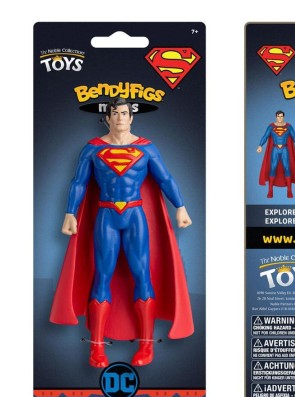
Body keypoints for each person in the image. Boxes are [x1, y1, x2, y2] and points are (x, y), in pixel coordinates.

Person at [50, 98, 194, 368]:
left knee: (142, 275)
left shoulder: (146, 148)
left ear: (131, 117)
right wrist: (70, 212)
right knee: (102, 276)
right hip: (106, 216)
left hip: (135, 216)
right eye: (114, 113)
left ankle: (147, 345)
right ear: (107, 118)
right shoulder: (92, 148)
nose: (119, 118)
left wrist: (181, 207)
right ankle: (96, 347)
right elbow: (79, 182)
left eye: (124, 113)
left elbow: (165, 179)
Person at [257, 110, 295, 198]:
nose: (280, 118)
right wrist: (260, 145)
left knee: (287, 168)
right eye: (278, 116)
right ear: (276, 117)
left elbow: (294, 136)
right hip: (275, 149)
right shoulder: (271, 126)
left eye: (281, 116)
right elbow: (265, 136)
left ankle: (289, 191)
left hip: (284, 149)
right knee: (273, 167)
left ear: (283, 117)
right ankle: (270, 191)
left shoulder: (288, 126)